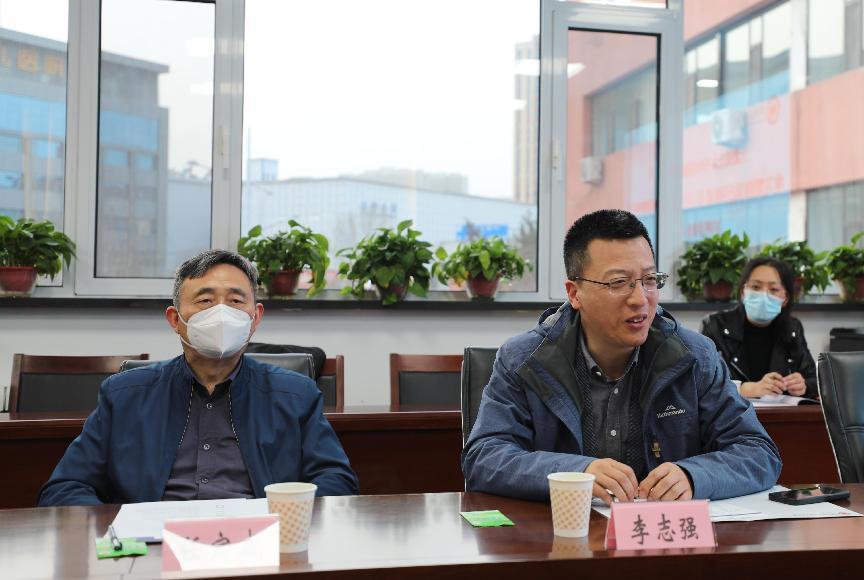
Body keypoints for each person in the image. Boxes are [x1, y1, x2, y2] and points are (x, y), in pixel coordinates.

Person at [462, 209, 781, 504]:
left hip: (662, 539)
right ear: (574, 293)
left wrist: (693, 476)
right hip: (564, 537)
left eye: (649, 280)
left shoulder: (694, 356)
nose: (640, 299)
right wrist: (576, 474)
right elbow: (484, 458)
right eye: (618, 283)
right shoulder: (525, 359)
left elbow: (758, 452)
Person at [38, 250, 358, 506]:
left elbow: (337, 480)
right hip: (154, 546)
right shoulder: (124, 395)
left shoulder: (297, 394)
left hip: (261, 543)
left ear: (255, 318)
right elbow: (65, 487)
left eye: (235, 301)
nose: (221, 313)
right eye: (205, 301)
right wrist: (120, 531)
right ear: (175, 319)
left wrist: (285, 519)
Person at [700, 256, 817, 400]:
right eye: (756, 287)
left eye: (773, 289)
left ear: (785, 298)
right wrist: (745, 389)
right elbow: (702, 382)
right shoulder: (715, 325)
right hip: (732, 413)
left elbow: (815, 379)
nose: (764, 295)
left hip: (781, 412)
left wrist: (804, 385)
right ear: (743, 292)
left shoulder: (792, 328)